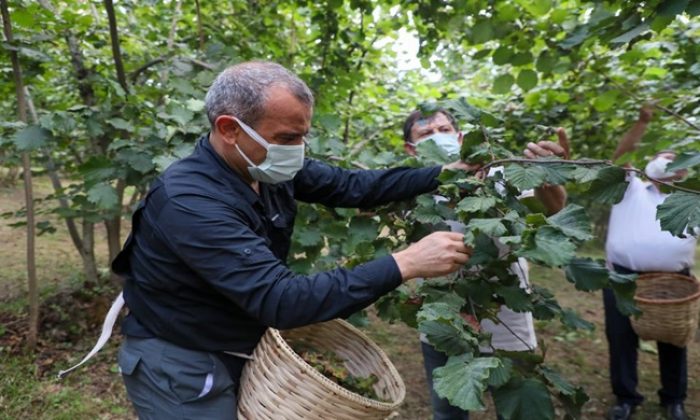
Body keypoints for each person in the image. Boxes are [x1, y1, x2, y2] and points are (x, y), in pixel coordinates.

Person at [108, 61, 477, 418]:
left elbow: (353, 186)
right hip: (180, 360)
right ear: (229, 129)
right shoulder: (190, 202)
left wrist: (444, 173)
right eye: (287, 137)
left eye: (303, 135)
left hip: (240, 342)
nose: (298, 148)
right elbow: (280, 299)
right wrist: (406, 263)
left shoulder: (264, 166)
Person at [403, 109, 569, 419]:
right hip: (444, 320)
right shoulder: (410, 191)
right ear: (411, 150)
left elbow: (553, 207)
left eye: (445, 128)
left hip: (506, 318)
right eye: (426, 134)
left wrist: (549, 175)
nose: (439, 135)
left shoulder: (501, 176)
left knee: (521, 409)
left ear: (461, 136)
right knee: (448, 410)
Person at [604, 105, 695, 420]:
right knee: (621, 337)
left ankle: (674, 400)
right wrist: (641, 123)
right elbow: (618, 157)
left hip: (673, 280)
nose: (669, 162)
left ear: (685, 170)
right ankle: (626, 398)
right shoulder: (630, 188)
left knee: (674, 339)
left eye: (676, 160)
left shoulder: (691, 199)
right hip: (622, 277)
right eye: (664, 156)